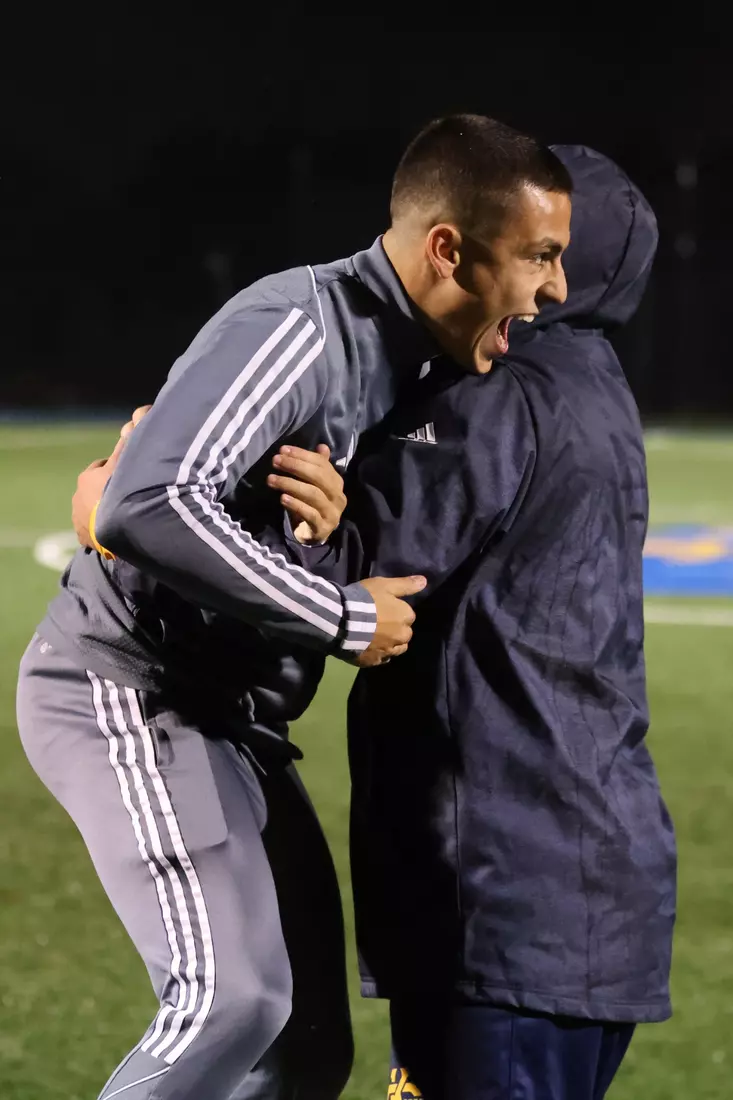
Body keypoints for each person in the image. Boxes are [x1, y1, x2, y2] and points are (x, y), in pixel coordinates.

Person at [16, 114, 572, 1100]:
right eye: (539, 254)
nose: (555, 287)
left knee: (302, 1050)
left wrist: (323, 535)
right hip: (133, 693)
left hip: (234, 723)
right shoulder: (302, 326)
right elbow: (146, 499)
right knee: (229, 1003)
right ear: (449, 249)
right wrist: (340, 617)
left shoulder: (423, 362)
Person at [285, 145, 675, 1099]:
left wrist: (292, 510)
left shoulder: (496, 391)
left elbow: (373, 578)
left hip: (500, 892)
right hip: (591, 888)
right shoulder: (596, 383)